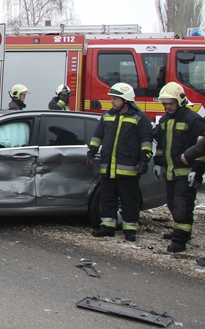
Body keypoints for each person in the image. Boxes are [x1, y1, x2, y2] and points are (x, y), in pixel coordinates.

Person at [86, 83, 153, 241]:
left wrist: (144, 161)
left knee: (129, 201)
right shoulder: (107, 116)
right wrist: (91, 154)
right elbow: (97, 137)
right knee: (107, 198)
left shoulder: (139, 118)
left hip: (128, 169)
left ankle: (130, 230)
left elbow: (146, 142)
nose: (112, 102)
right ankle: (107, 227)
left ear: (126, 100)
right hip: (108, 168)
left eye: (115, 99)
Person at [153, 82, 205, 252]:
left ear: (180, 101)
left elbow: (201, 148)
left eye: (171, 103)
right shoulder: (164, 120)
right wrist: (158, 163)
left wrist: (197, 170)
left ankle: (180, 240)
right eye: (166, 104)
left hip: (186, 172)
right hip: (170, 173)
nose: (168, 107)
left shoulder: (193, 119)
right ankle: (180, 231)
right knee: (172, 204)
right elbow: (160, 144)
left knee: (182, 205)